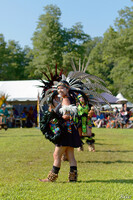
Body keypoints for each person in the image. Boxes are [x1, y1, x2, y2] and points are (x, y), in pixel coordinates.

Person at [39, 80, 82, 182]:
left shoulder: (66, 100)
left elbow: (67, 116)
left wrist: (56, 118)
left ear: (67, 89)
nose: (59, 90)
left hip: (65, 131)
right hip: (70, 130)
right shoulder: (67, 99)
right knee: (70, 155)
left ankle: (51, 178)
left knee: (57, 154)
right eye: (58, 88)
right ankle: (73, 178)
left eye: (62, 88)